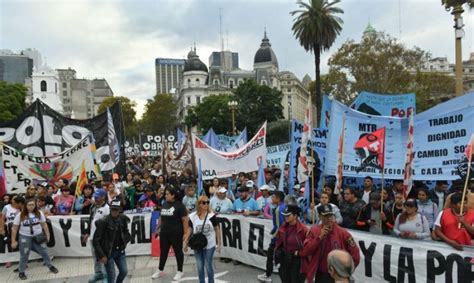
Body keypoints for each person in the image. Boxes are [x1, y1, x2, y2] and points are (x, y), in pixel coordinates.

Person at [300, 204, 360, 283]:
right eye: (325, 216)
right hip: (321, 274)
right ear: (319, 216)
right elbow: (306, 251)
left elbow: (355, 255)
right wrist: (319, 238)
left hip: (339, 274)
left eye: (330, 215)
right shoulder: (314, 231)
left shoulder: (343, 233)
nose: (329, 219)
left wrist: (347, 271)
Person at [11, 198, 59, 280]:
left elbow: (44, 225)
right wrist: (13, 241)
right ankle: (21, 271)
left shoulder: (39, 213)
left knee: (44, 252)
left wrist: (48, 235)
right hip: (25, 236)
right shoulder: (20, 215)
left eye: (33, 204)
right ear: (25, 206)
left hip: (38, 235)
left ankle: (50, 266)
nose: (31, 207)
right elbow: (14, 228)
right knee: (24, 254)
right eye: (29, 205)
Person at [152, 187, 188, 280]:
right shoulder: (164, 203)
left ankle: (180, 271)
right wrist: (157, 228)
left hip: (176, 233)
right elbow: (161, 217)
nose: (166, 195)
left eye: (168, 194)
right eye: (166, 194)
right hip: (164, 233)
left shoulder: (180, 205)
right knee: (163, 252)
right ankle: (160, 270)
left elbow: (185, 220)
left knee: (178, 252)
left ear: (173, 195)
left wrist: (185, 233)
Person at [184, 195, 221, 283]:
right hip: (198, 244)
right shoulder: (193, 216)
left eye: (208, 202)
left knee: (208, 265)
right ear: (199, 204)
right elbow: (189, 229)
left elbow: (217, 229)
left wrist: (219, 243)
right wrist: (185, 241)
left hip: (210, 244)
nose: (206, 204)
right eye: (204, 203)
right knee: (200, 266)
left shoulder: (211, 216)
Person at [93, 200, 131, 283]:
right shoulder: (103, 222)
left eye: (116, 210)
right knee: (111, 275)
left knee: (124, 271)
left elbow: (126, 232)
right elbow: (96, 240)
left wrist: (124, 242)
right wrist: (102, 255)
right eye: (113, 209)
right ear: (110, 209)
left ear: (119, 210)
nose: (114, 211)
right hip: (108, 253)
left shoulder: (123, 218)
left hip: (120, 251)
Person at [274, 205, 308, 283]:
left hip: (297, 261)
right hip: (285, 258)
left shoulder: (303, 230)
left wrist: (299, 253)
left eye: (288, 215)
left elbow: (308, 247)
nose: (286, 217)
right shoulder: (283, 226)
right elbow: (278, 241)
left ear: (295, 216)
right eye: (285, 215)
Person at [258, 191, 286, 282]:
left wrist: (274, 237)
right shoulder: (285, 207)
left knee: (270, 256)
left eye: (273, 197)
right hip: (284, 237)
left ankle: (267, 275)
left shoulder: (278, 210)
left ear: (278, 199)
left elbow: (279, 226)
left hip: (278, 238)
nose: (271, 199)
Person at [86, 189, 110, 282]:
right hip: (93, 237)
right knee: (95, 257)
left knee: (103, 257)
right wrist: (88, 232)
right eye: (95, 196)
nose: (95, 198)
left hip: (102, 238)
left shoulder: (107, 209)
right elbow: (91, 219)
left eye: (98, 197)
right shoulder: (93, 207)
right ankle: (98, 274)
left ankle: (106, 275)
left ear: (103, 197)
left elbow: (109, 224)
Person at [0, 195, 25, 268]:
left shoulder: (20, 207)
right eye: (14, 199)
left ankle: (22, 260)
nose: (15, 201)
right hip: (9, 228)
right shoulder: (6, 207)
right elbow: (2, 218)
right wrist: (2, 228)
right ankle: (9, 260)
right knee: (8, 244)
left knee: (20, 243)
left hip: (19, 227)